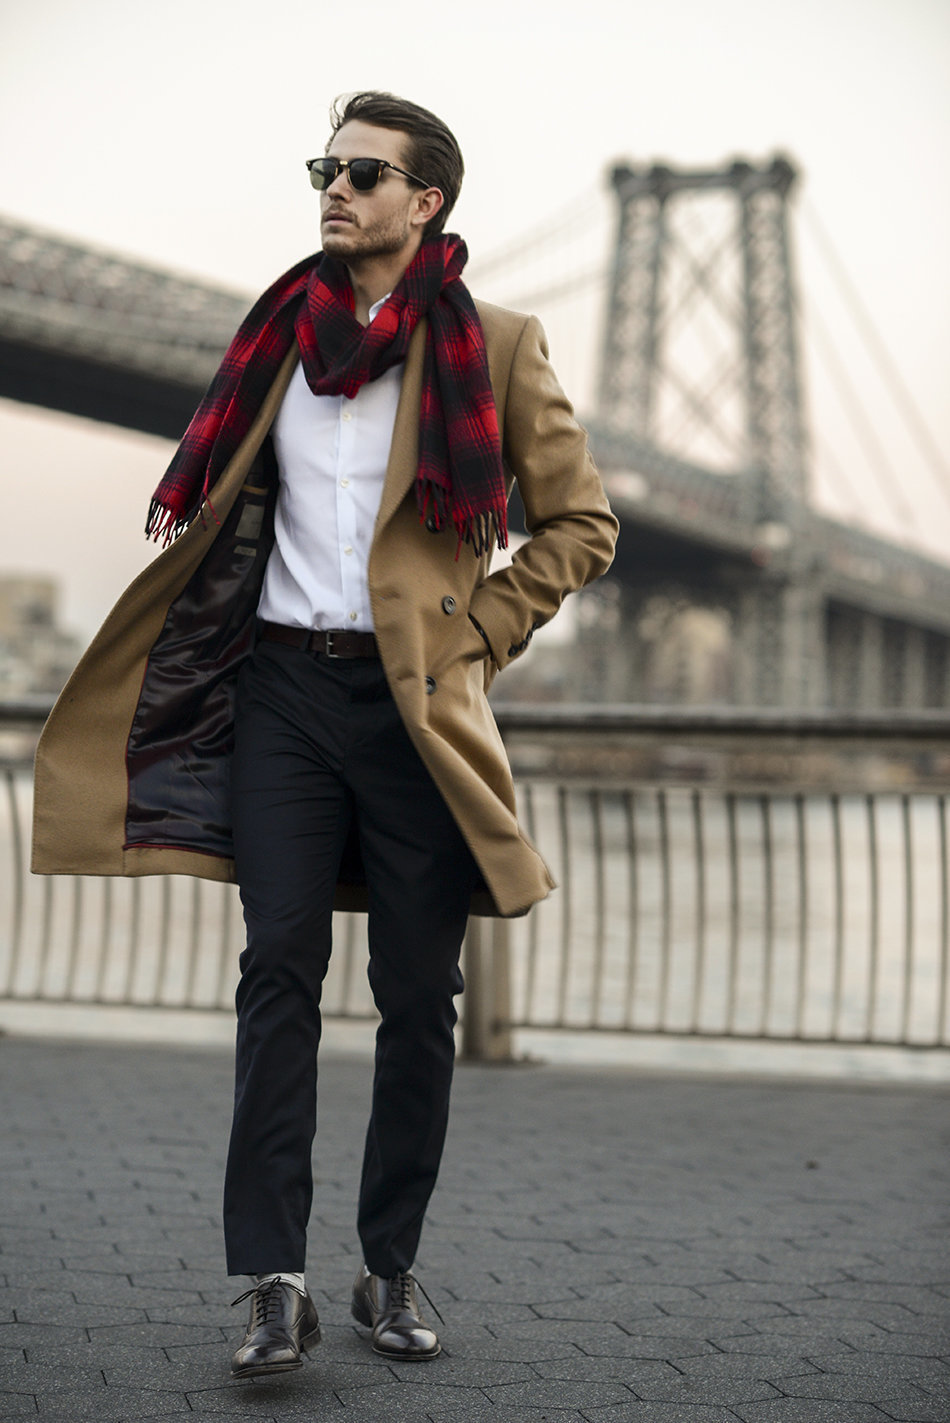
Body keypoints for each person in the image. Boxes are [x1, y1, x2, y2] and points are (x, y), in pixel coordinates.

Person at [31, 90, 618, 1377]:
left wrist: (479, 629)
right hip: (283, 695)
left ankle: (388, 1265)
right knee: (276, 974)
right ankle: (272, 1280)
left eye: (363, 173)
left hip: (414, 713)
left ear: (426, 201)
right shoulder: (274, 335)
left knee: (417, 995)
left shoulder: (497, 346)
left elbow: (582, 523)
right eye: (326, 169)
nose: (335, 190)